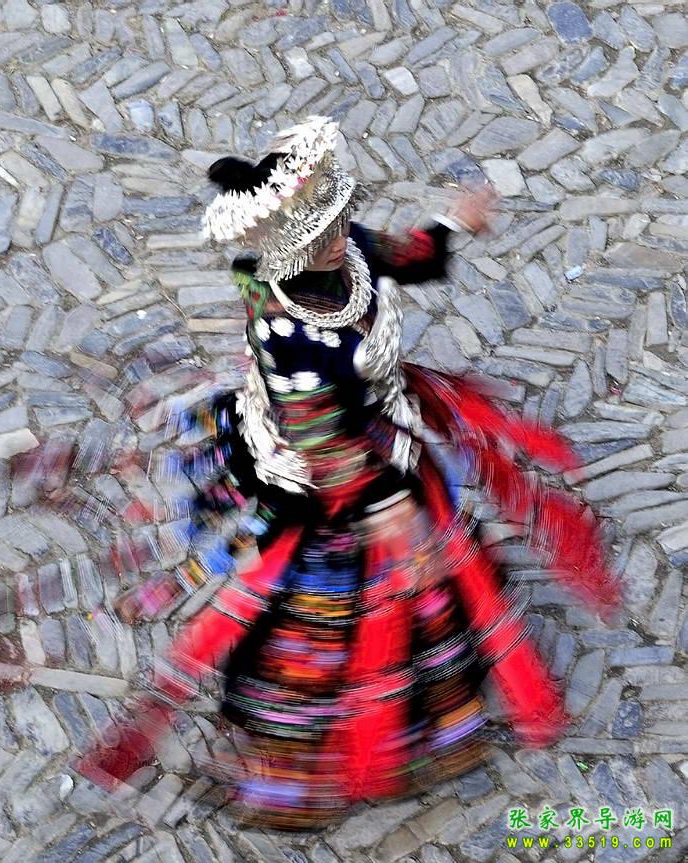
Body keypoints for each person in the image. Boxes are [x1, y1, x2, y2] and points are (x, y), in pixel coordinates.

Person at [71, 116, 619, 829]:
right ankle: (321, 742)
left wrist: (452, 223)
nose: (339, 238)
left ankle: (438, 686)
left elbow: (400, 255)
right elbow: (319, 440)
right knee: (344, 600)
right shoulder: (285, 329)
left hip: (377, 426)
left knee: (429, 571)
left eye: (338, 224)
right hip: (328, 478)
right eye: (323, 234)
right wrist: (389, 507)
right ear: (291, 249)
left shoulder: (345, 248)